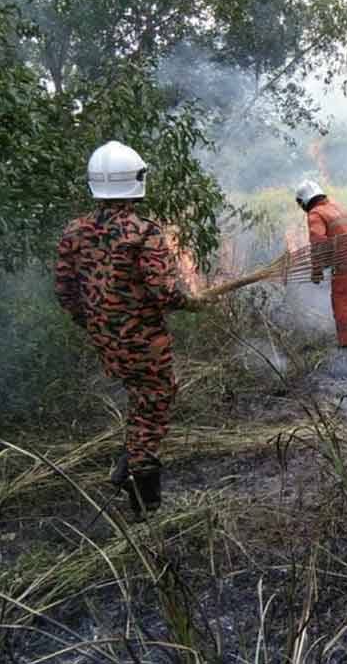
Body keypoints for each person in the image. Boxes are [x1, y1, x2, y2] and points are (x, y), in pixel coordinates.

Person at [54, 141, 210, 518]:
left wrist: (92, 323)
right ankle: (143, 491)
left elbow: (65, 291)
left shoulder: (74, 231)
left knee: (140, 396)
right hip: (143, 338)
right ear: (136, 180)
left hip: (105, 338)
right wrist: (192, 302)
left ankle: (130, 461)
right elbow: (163, 292)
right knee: (156, 397)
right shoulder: (143, 232)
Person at [295, 179, 347, 351]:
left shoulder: (316, 214)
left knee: (341, 301)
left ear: (303, 202)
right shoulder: (339, 207)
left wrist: (316, 270)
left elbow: (318, 244)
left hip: (345, 262)